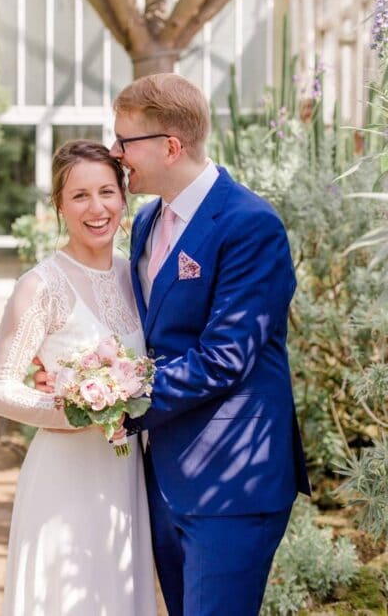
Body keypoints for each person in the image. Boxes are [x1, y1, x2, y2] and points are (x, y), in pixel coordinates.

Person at [38, 73, 310, 616]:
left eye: (125, 141)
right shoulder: (146, 221)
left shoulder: (250, 224)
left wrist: (121, 401)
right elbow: (140, 331)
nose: (116, 154)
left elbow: (226, 356)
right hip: (163, 473)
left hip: (232, 480)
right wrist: (70, 372)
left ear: (170, 146)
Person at [0, 139, 156, 616]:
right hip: (64, 478)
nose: (96, 208)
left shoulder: (137, 276)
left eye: (106, 191)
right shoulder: (40, 287)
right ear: (59, 204)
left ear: (123, 196)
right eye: (79, 195)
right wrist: (73, 411)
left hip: (124, 475)